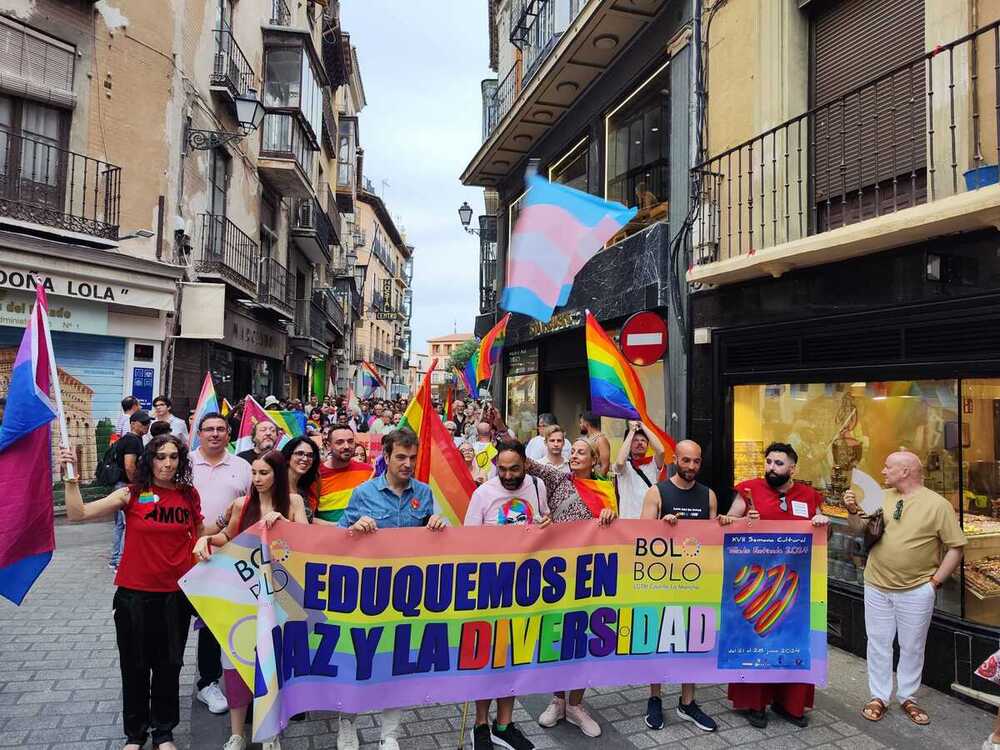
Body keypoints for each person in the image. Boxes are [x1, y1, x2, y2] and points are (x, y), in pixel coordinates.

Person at [60, 435, 203, 750]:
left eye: (174, 457)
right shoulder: (131, 494)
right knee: (135, 665)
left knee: (169, 666)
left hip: (175, 597)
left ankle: (163, 733)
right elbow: (77, 514)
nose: (167, 463)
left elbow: (199, 537)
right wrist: (70, 481)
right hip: (134, 596)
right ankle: (135, 734)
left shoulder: (189, 495)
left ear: (181, 461)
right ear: (149, 460)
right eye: (160, 456)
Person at [336, 428, 447, 750]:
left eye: (412, 458)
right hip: (367, 595)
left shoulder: (424, 494)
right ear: (386, 457)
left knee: (400, 663)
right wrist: (354, 529)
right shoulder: (363, 493)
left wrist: (438, 525)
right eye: (401, 457)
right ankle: (347, 724)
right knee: (359, 660)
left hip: (408, 597)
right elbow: (338, 540)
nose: (407, 463)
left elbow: (438, 540)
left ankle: (390, 733)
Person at [194, 450, 307, 750]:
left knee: (274, 663)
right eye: (254, 473)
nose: (256, 479)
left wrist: (284, 523)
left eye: (263, 473)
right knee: (234, 661)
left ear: (278, 475)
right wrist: (205, 539)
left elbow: (308, 545)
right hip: (241, 595)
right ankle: (237, 734)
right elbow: (227, 537)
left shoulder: (293, 503)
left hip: (282, 598)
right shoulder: (242, 504)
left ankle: (271, 733)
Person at [844, 450, 965, 726]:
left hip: (916, 589)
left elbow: (955, 548)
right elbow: (860, 529)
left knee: (912, 646)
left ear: (906, 471)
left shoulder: (937, 505)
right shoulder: (882, 497)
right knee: (878, 643)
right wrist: (852, 510)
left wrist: (934, 584)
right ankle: (879, 697)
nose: (883, 472)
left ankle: (908, 696)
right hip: (876, 584)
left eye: (888, 467)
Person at [721, 442, 829, 728]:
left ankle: (790, 704)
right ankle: (754, 703)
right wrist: (743, 521)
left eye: (778, 463)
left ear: (792, 467)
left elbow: (822, 537)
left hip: (796, 586)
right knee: (755, 640)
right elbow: (726, 522)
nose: (771, 467)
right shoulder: (749, 490)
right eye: (768, 462)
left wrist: (820, 522)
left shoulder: (809, 495)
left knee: (794, 641)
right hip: (755, 583)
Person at [525, 436, 617, 738]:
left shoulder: (605, 489)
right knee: (557, 635)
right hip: (557, 573)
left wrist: (609, 515)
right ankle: (557, 700)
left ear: (594, 460)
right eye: (572, 451)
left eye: (581, 453)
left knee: (583, 636)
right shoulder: (557, 479)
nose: (574, 456)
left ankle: (576, 704)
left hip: (590, 576)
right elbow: (525, 463)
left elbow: (615, 530)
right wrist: (501, 430)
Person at [464, 441, 547, 750]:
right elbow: (468, 542)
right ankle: (481, 725)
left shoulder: (537, 487)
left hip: (525, 589)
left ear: (525, 463)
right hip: (490, 589)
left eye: (515, 469)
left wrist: (545, 526)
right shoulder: (482, 494)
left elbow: (545, 525)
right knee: (487, 658)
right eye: (503, 469)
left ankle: (505, 724)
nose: (509, 475)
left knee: (514, 657)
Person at [639, 440, 718, 733]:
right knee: (660, 639)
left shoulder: (708, 495)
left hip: (696, 581)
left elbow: (711, 539)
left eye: (696, 462)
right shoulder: (657, 492)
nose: (691, 467)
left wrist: (723, 523)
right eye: (686, 461)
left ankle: (687, 702)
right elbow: (642, 538)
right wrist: (661, 524)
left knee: (693, 640)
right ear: (675, 459)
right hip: (662, 582)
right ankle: (655, 697)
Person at [190, 412, 252, 716]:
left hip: (225, 555)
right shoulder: (183, 464)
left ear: (229, 434)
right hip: (182, 555)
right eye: (208, 429)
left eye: (220, 429)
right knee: (177, 623)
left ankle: (209, 682)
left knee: (214, 622)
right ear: (199, 433)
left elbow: (251, 510)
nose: (214, 434)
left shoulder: (243, 467)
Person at [110, 410, 152, 570]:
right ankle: (120, 562)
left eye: (148, 423)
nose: (146, 426)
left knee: (120, 524)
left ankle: (115, 559)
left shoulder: (130, 439)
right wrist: (136, 485)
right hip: (127, 486)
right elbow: (129, 465)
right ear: (133, 423)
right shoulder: (133, 441)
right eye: (143, 423)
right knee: (129, 524)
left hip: (122, 485)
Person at [314, 424, 373, 525]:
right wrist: (341, 527)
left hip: (363, 536)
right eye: (339, 442)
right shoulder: (316, 475)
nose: (346, 446)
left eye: (350, 441)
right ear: (328, 445)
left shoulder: (368, 471)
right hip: (329, 538)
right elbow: (308, 517)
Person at [614, 421, 666, 520]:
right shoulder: (624, 466)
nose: (640, 443)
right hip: (628, 521)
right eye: (635, 440)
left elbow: (661, 450)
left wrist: (642, 425)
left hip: (649, 521)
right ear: (629, 443)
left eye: (643, 440)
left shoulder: (653, 463)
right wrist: (632, 430)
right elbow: (620, 462)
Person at [281, 436, 321, 518]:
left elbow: (310, 521)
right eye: (300, 453)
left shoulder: (304, 489)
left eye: (310, 455)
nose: (305, 458)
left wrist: (340, 526)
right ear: (288, 457)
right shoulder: (275, 486)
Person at [579, 411, 611, 476]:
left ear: (586, 423)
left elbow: (605, 465)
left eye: (581, 422)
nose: (580, 425)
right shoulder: (587, 438)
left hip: (596, 481)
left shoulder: (601, 440)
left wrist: (597, 482)